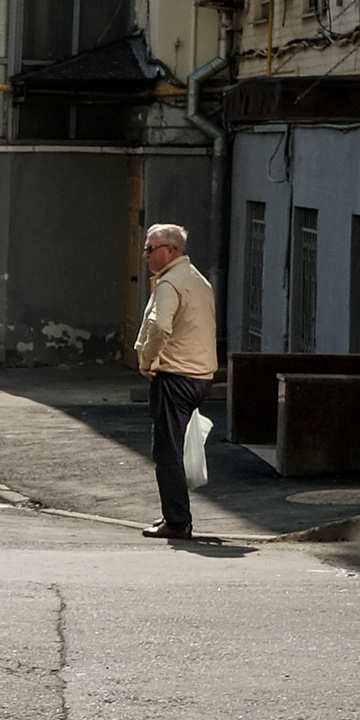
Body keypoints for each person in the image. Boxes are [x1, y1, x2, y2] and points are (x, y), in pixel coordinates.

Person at [136, 216, 219, 545]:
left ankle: (177, 521)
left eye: (150, 248)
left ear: (170, 250)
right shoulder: (197, 279)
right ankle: (175, 515)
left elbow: (159, 326)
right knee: (177, 448)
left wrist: (147, 359)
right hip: (200, 375)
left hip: (175, 376)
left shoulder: (170, 284)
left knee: (167, 451)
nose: (145, 254)